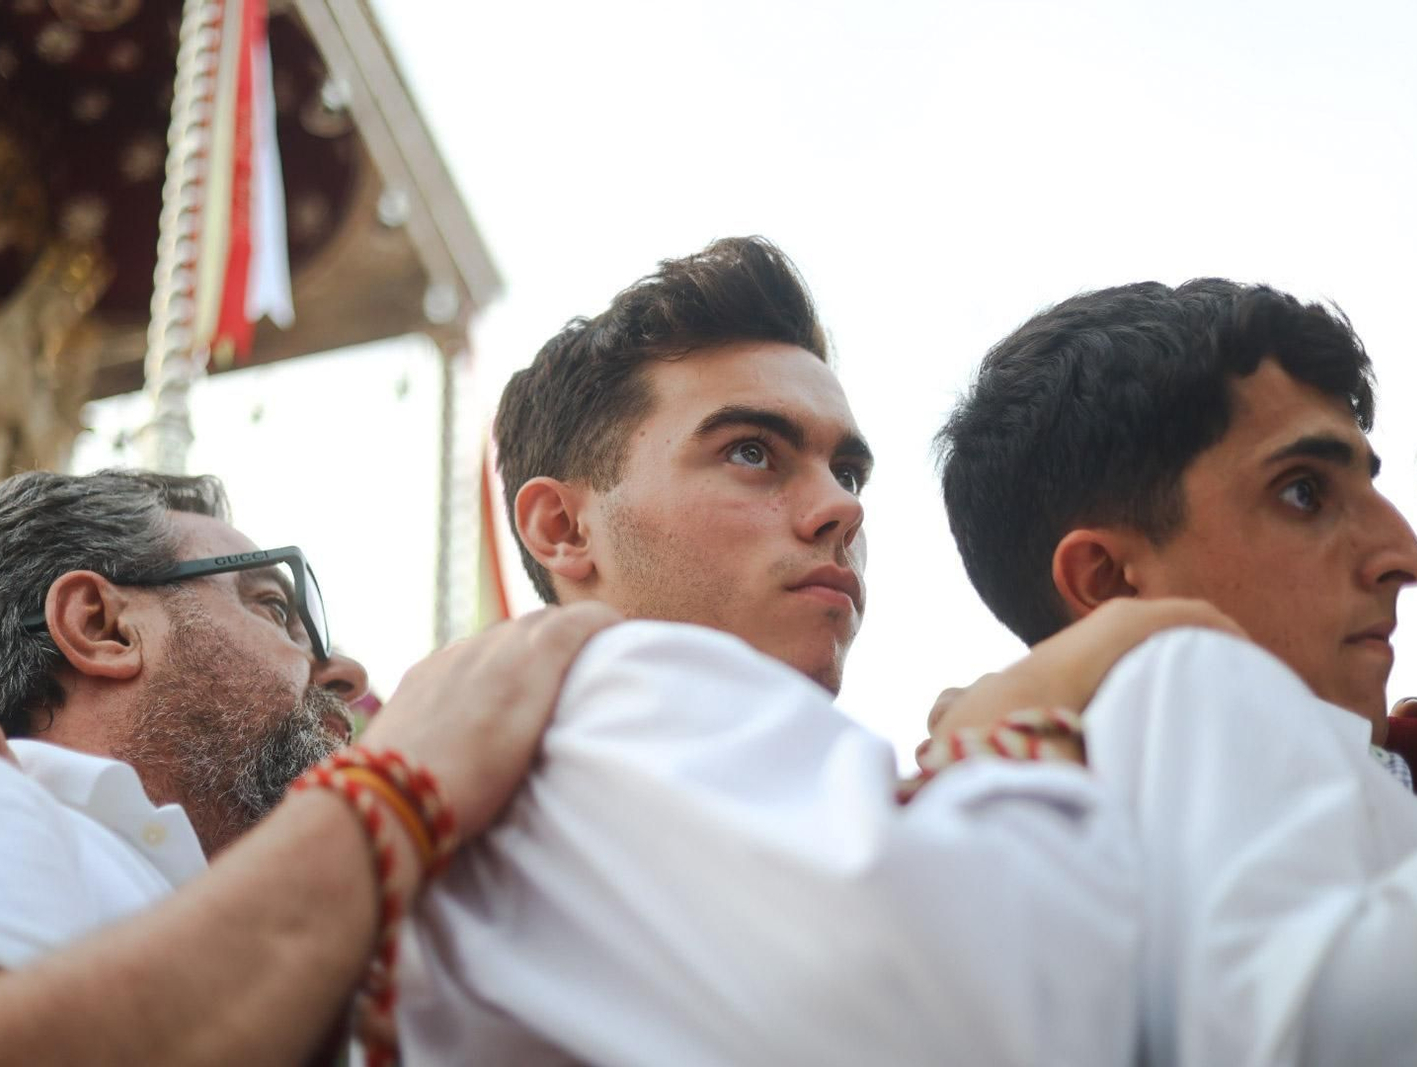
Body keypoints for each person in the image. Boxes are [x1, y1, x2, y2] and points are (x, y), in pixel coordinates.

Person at [394, 237, 1144, 1065]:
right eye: (751, 451)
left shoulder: (523, 784)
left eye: (849, 472)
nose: (840, 510)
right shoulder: (614, 688)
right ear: (564, 528)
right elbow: (1010, 1006)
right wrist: (1039, 708)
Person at [0, 468, 618, 1064]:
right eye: (272, 608)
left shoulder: (256, 918)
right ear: (102, 627)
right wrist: (396, 791)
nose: (343, 669)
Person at [931, 279, 1417, 1064]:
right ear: (1108, 582)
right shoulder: (1185, 675)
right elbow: (1303, 1032)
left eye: (1372, 483)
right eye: (1303, 492)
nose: (1406, 556)